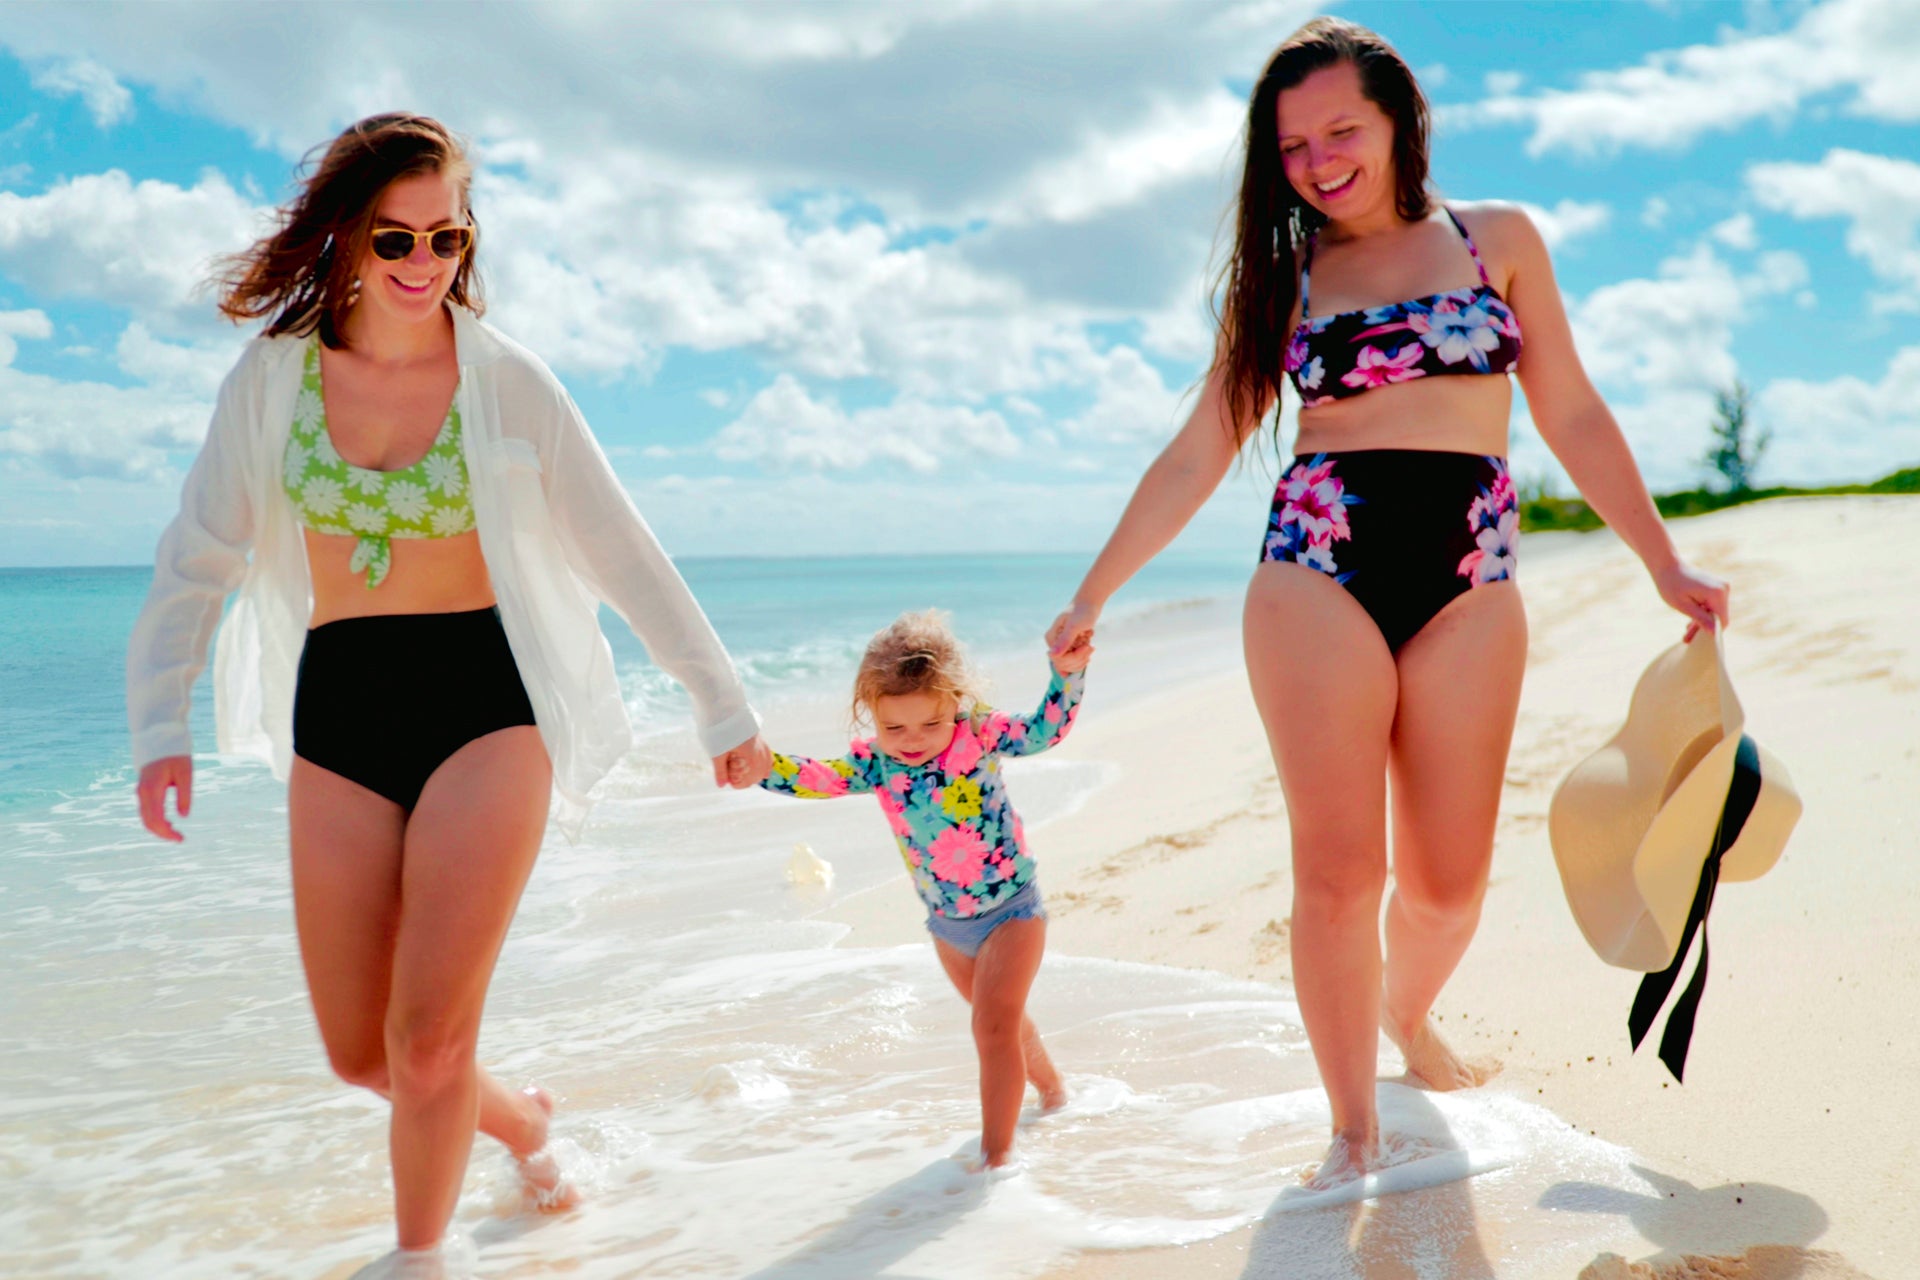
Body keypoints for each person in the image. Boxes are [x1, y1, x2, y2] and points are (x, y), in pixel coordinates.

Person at [1044, 17, 1729, 1189]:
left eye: (1340, 130)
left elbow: (1570, 410)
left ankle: (1407, 1012)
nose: (1318, 160)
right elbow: (1199, 446)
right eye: (1294, 144)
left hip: (1473, 573)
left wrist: (1660, 559)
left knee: (1449, 882)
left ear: (1400, 120)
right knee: (1339, 871)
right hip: (1318, 565)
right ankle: (1351, 1126)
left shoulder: (1498, 238)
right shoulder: (1284, 278)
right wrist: (1095, 588)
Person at [126, 114, 772, 1270]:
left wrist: (721, 705)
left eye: (447, 238)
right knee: (362, 1053)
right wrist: (158, 721)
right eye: (395, 240)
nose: (424, 265)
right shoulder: (275, 379)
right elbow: (199, 553)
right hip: (341, 713)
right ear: (343, 239)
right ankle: (524, 1121)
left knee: (427, 1043)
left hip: (486, 702)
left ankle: (417, 1257)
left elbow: (618, 549)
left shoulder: (506, 379)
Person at [746, 610, 1089, 1170]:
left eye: (930, 725)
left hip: (1012, 911)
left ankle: (996, 1161)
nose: (911, 742)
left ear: (956, 701)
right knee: (1005, 1024)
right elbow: (816, 778)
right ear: (872, 718)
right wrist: (761, 766)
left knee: (992, 1025)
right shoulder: (879, 764)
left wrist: (1066, 675)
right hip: (947, 927)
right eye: (894, 728)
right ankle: (1053, 1093)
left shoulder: (980, 734)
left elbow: (1044, 729)